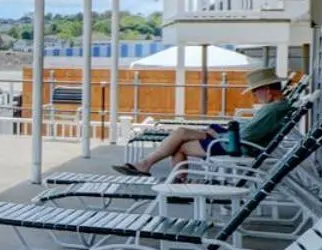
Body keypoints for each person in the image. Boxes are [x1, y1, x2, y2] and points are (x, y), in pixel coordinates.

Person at [114, 67, 291, 176]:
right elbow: (251, 129)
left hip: (236, 145)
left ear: (267, 89)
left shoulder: (272, 110)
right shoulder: (277, 108)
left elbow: (246, 135)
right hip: (235, 141)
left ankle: (150, 168)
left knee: (180, 137)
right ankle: (158, 173)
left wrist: (217, 133)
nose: (254, 96)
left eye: (255, 91)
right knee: (180, 136)